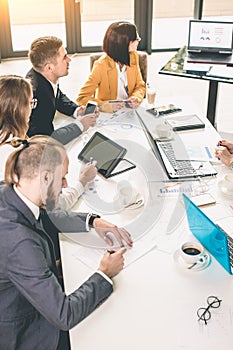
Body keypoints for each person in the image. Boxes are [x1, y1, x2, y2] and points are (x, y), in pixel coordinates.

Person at [0, 136, 128, 350]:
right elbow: (63, 315)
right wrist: (104, 273)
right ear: (46, 177)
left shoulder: (11, 189)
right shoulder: (19, 243)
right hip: (24, 330)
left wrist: (92, 221)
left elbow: (47, 214)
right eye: (63, 178)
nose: (66, 185)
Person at [0, 74, 96, 211]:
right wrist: (82, 182)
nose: (31, 109)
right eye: (30, 103)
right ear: (19, 110)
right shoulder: (17, 154)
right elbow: (57, 204)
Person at [26, 36, 98, 138]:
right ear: (49, 67)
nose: (69, 60)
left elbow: (58, 96)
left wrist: (77, 111)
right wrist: (80, 125)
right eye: (64, 57)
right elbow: (46, 139)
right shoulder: (37, 96)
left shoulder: (42, 75)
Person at [77, 21, 146, 113]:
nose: (139, 39)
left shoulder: (133, 56)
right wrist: (105, 106)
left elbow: (140, 86)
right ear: (124, 43)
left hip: (130, 111)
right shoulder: (101, 66)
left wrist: (135, 98)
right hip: (109, 115)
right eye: (136, 38)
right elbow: (82, 98)